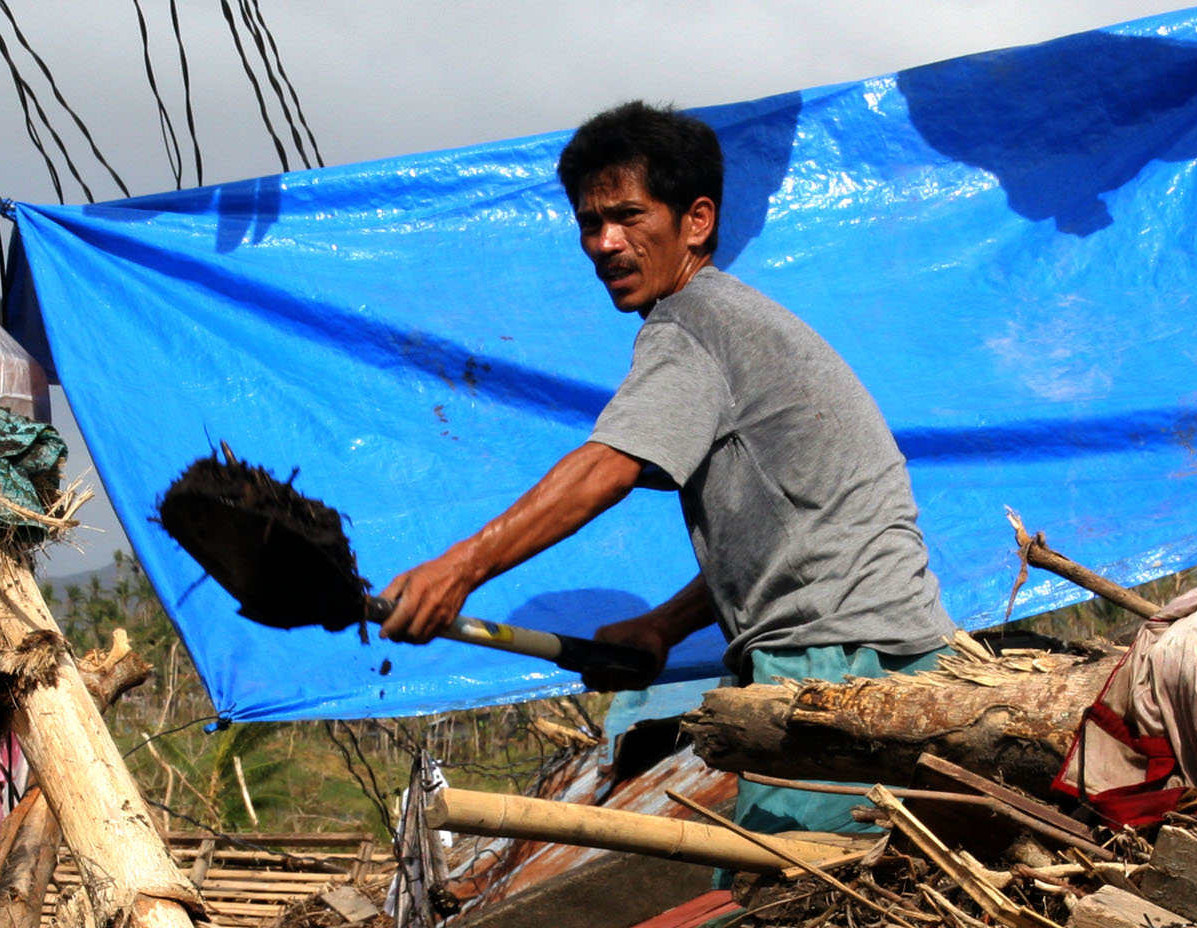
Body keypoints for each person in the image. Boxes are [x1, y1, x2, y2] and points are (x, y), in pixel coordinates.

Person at [381, 101, 955, 833]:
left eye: (627, 216)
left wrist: (457, 568)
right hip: (907, 660)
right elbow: (800, 540)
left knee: (798, 901)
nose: (605, 243)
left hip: (830, 676)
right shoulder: (743, 323)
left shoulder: (689, 326)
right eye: (589, 224)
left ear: (695, 220)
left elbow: (605, 469)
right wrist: (663, 625)